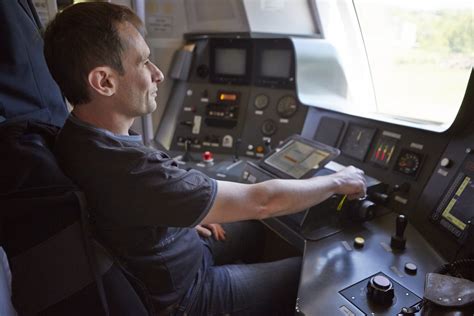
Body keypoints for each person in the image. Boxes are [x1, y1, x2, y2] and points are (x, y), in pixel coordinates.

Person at [43, 3, 367, 315]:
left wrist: (174, 212)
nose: (157, 75)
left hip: (164, 257)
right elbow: (262, 200)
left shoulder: (71, 136)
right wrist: (338, 181)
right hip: (186, 297)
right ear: (104, 81)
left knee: (255, 231)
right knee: (311, 271)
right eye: (143, 62)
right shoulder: (133, 170)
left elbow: (124, 206)